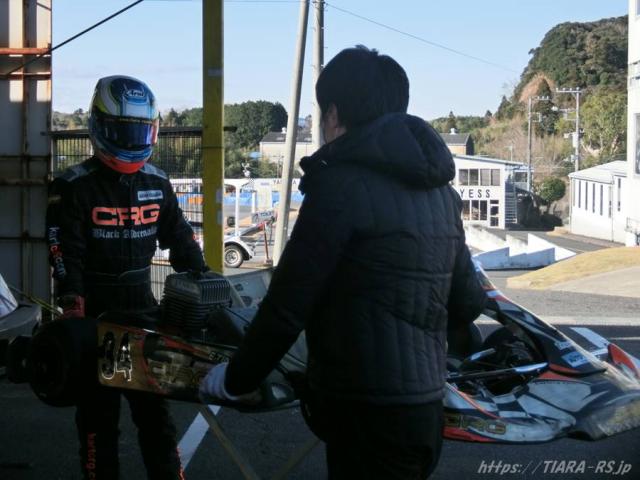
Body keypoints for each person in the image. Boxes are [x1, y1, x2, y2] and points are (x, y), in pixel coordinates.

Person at [200, 46, 487, 478]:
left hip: (364, 415)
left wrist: (235, 379)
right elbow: (466, 303)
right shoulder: (440, 194)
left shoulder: (339, 187)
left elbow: (287, 305)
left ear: (333, 114)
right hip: (426, 410)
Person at [46, 75, 206, 480]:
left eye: (140, 131)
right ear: (99, 126)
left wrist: (203, 278)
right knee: (98, 426)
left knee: (157, 421)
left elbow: (181, 239)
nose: (132, 141)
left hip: (144, 321)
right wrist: (72, 303)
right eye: (123, 132)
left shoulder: (158, 182)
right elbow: (65, 253)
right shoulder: (72, 186)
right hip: (95, 322)